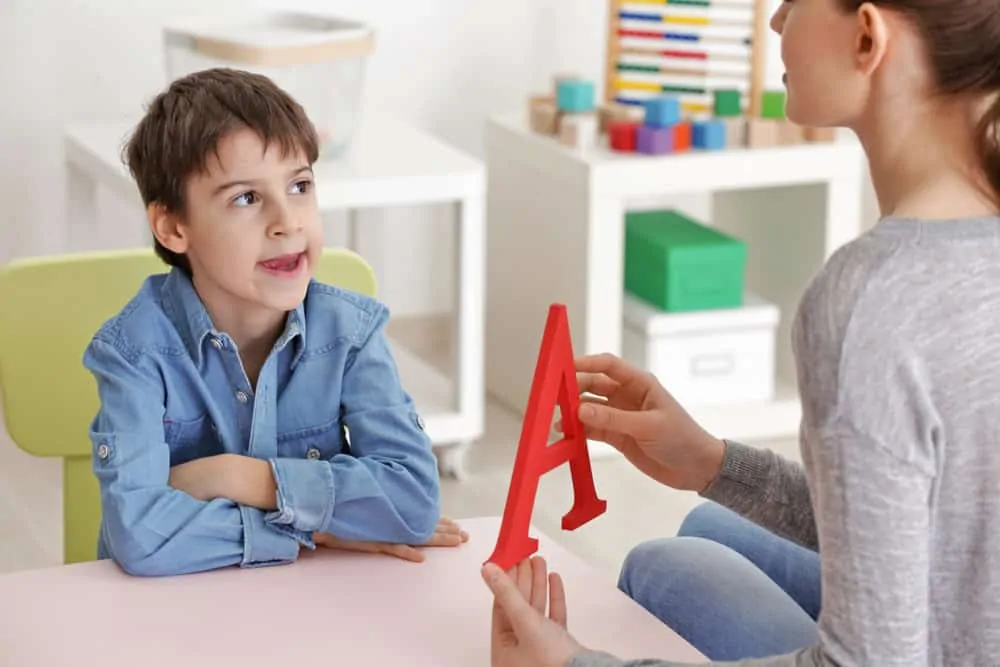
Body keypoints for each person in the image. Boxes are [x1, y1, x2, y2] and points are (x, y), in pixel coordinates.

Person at [481, 0, 1000, 664]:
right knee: (710, 524)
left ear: (867, 36)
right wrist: (713, 462)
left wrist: (577, 664)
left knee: (664, 565)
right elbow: (945, 520)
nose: (777, 22)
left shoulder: (874, 302)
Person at [83, 68, 467, 577]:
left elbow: (414, 503)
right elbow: (139, 534)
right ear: (174, 227)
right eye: (246, 197)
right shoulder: (133, 352)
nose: (289, 220)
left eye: (300, 185)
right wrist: (318, 527)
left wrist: (236, 477)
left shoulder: (350, 333)